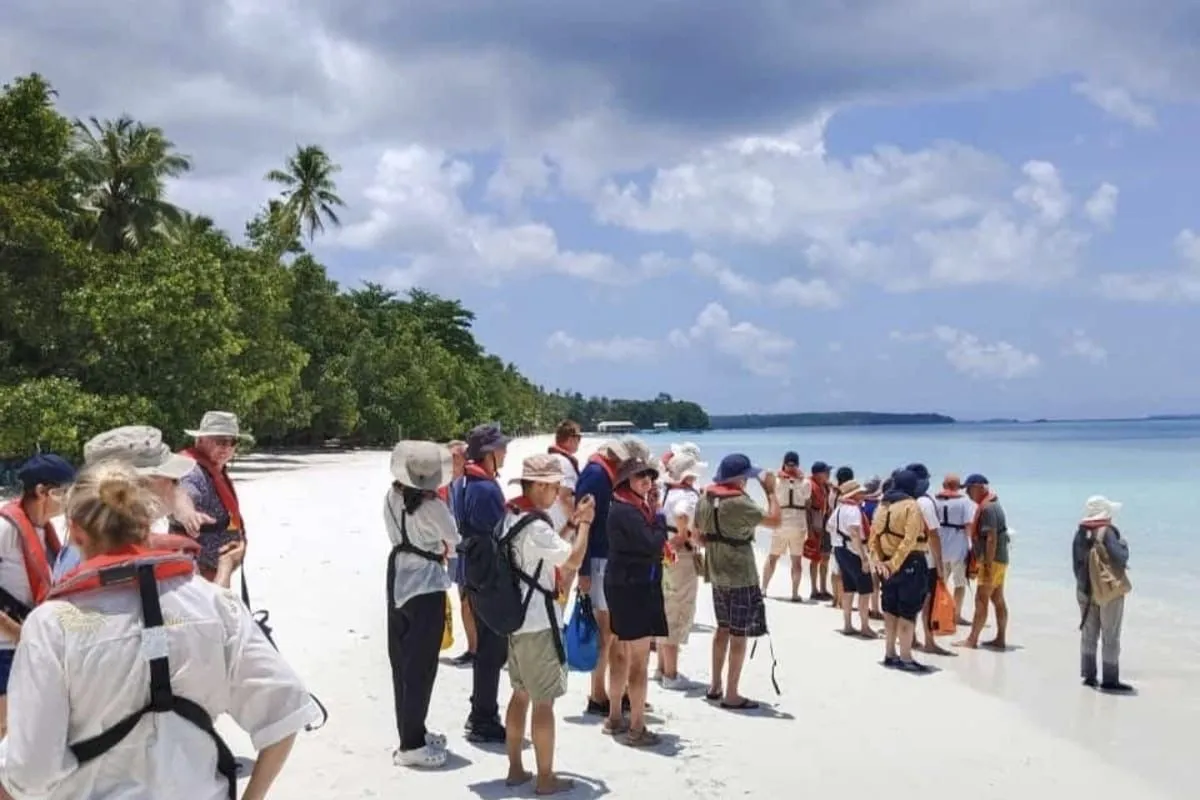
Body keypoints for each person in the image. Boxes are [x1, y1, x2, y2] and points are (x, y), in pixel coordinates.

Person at [0, 460, 319, 800]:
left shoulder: (53, 625)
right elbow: (285, 709)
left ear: (75, 531)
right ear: (146, 526)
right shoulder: (215, 604)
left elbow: (32, 772)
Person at [500, 455, 593, 794]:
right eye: (554, 487)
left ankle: (515, 768)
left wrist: (571, 525)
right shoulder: (535, 527)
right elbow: (573, 558)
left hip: (516, 620)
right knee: (543, 702)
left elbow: (549, 550)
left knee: (520, 693)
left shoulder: (510, 516)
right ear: (539, 485)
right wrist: (586, 525)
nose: (557, 494)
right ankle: (544, 777)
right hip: (538, 623)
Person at [52, 426, 217, 583]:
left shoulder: (91, 543)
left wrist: (187, 513)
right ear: (143, 486)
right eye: (174, 479)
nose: (177, 486)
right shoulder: (94, 560)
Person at [385, 441, 461, 768]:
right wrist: (441, 548)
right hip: (426, 583)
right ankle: (411, 744)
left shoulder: (391, 497)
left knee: (401, 660)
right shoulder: (433, 507)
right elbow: (453, 542)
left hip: (397, 575)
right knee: (422, 664)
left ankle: (412, 730)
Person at [695, 454, 782, 710]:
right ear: (740, 479)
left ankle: (715, 685)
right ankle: (732, 693)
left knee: (722, 628)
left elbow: (697, 536)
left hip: (716, 571)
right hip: (740, 573)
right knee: (738, 633)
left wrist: (718, 541)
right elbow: (775, 521)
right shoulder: (740, 502)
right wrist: (771, 492)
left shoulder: (705, 498)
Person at [0, 453, 75, 737]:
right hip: (5, 647)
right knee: (6, 728)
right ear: (43, 491)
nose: (69, 500)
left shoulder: (46, 531)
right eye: (64, 492)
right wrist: (17, 632)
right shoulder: (5, 528)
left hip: (31, 642)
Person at [575, 436, 649, 717]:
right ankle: (598, 694)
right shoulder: (596, 474)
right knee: (606, 632)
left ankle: (617, 691)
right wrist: (583, 569)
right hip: (600, 559)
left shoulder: (604, 472)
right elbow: (584, 520)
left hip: (610, 558)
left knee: (616, 631)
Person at [450, 423, 511, 743]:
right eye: (501, 448)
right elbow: (499, 533)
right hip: (488, 573)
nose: (505, 452)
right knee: (492, 648)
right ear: (489, 454)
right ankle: (483, 717)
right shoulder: (485, 488)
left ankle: (481, 711)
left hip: (472, 570)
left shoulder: (463, 482)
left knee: (487, 646)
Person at [604, 457, 669, 745]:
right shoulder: (628, 511)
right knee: (639, 661)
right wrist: (660, 515)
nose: (646, 480)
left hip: (622, 584)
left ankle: (615, 717)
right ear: (626, 481)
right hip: (635, 588)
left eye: (649, 476)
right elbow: (652, 543)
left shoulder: (623, 506)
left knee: (621, 653)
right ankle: (637, 727)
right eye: (640, 476)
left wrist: (652, 510)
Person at [177, 411, 253, 582]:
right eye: (220, 441)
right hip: (197, 573)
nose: (227, 447)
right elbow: (183, 492)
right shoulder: (192, 471)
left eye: (232, 442)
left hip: (215, 569)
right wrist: (188, 513)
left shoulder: (214, 468)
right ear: (200, 440)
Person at [868, 469, 931, 672]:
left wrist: (879, 562)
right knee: (907, 611)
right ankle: (905, 657)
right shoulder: (911, 506)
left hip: (885, 564)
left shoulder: (882, 506)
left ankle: (890, 653)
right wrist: (894, 564)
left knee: (890, 610)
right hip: (909, 562)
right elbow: (909, 539)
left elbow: (873, 537)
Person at [655, 452, 706, 689]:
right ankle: (671, 674)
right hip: (681, 555)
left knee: (666, 606)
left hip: (665, 552)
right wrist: (684, 535)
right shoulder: (687, 495)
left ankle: (661, 668)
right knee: (678, 608)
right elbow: (682, 514)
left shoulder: (667, 492)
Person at [1072, 496, 1133, 692]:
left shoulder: (1080, 533)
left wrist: (1086, 585)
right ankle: (1110, 680)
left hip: (1084, 590)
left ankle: (1089, 676)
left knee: (1089, 634)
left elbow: (1076, 565)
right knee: (1110, 635)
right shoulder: (1107, 532)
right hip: (1108, 592)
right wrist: (1124, 545)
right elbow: (1120, 558)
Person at [955, 474, 1012, 650]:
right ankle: (1000, 639)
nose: (967, 493)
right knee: (997, 598)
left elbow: (991, 538)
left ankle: (972, 640)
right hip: (1000, 558)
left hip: (992, 561)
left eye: (969, 488)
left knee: (981, 599)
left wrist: (986, 564)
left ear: (979, 487)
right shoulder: (994, 504)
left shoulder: (987, 508)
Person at [440, 440, 479, 669]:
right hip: (455, 551)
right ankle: (474, 648)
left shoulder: (467, 483)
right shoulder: (448, 484)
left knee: (469, 601)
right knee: (465, 600)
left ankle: (475, 649)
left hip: (467, 551)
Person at [907, 463, 952, 657]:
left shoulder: (903, 500)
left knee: (910, 601)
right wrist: (940, 564)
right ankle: (929, 642)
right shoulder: (925, 502)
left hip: (907, 557)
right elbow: (933, 534)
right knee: (927, 602)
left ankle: (910, 638)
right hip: (926, 560)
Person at [829, 480, 876, 638]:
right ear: (854, 494)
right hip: (852, 550)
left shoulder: (839, 508)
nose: (863, 494)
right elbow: (855, 534)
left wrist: (839, 538)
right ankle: (864, 626)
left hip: (839, 549)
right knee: (865, 590)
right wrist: (864, 558)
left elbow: (829, 526)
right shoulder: (853, 510)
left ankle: (848, 625)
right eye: (860, 492)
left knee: (848, 588)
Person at [761, 452, 809, 602]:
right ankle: (794, 593)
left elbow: (768, 490)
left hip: (780, 521)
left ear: (784, 463)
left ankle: (763, 589)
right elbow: (807, 498)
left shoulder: (777, 481)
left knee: (773, 557)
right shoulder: (805, 482)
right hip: (798, 523)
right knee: (796, 561)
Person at [546, 420, 583, 605]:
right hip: (563, 528)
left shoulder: (551, 459)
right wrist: (578, 524)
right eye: (579, 437)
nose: (580, 442)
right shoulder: (564, 463)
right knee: (564, 582)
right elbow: (566, 496)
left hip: (552, 525)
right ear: (570, 439)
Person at [935, 475, 975, 625]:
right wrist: (972, 546)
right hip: (958, 548)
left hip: (939, 548)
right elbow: (969, 525)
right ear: (958, 487)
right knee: (960, 584)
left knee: (940, 583)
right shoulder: (964, 502)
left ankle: (937, 613)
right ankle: (956, 615)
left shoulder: (935, 500)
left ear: (943, 485)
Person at [804, 462, 833, 601]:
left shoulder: (826, 486)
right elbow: (807, 510)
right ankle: (814, 590)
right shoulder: (809, 486)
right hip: (816, 525)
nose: (828, 474)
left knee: (825, 557)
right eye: (826, 472)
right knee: (815, 558)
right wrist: (809, 529)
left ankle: (823, 588)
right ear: (817, 474)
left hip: (826, 524)